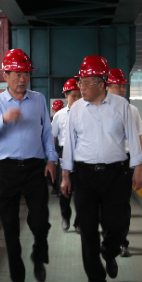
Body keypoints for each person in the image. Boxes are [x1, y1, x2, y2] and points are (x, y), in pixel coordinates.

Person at [60, 55, 142, 282]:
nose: (81, 88)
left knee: (115, 224)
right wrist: (66, 176)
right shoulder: (76, 109)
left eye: (86, 83)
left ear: (101, 84)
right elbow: (69, 145)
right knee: (87, 229)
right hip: (84, 175)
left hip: (115, 174)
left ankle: (109, 252)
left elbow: (133, 139)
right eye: (81, 83)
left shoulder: (122, 107)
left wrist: (138, 169)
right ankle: (95, 278)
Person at [0, 49, 58, 282]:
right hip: (6, 172)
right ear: (5, 76)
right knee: (10, 229)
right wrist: (3, 119)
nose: (22, 79)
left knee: (40, 221)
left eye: (25, 74)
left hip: (34, 168)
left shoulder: (38, 100)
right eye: (17, 74)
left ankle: (39, 253)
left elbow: (47, 132)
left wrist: (52, 159)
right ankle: (18, 280)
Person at [106, 67, 142, 257]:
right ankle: (108, 238)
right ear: (107, 87)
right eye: (118, 86)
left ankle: (122, 242)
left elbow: (138, 139)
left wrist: (138, 168)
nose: (122, 90)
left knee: (122, 203)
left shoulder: (132, 110)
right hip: (105, 160)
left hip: (126, 160)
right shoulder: (99, 109)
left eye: (123, 86)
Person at [53, 78, 82, 231]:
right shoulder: (59, 115)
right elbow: (53, 137)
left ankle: (79, 222)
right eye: (73, 96)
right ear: (66, 96)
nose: (77, 99)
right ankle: (66, 216)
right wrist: (53, 158)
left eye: (79, 95)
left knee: (81, 190)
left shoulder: (87, 112)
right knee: (64, 188)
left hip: (82, 153)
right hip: (64, 153)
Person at [49, 99, 66, 197]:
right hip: (54, 149)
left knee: (61, 170)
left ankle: (60, 190)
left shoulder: (64, 116)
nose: (55, 113)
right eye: (55, 111)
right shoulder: (50, 120)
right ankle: (55, 188)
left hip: (62, 148)